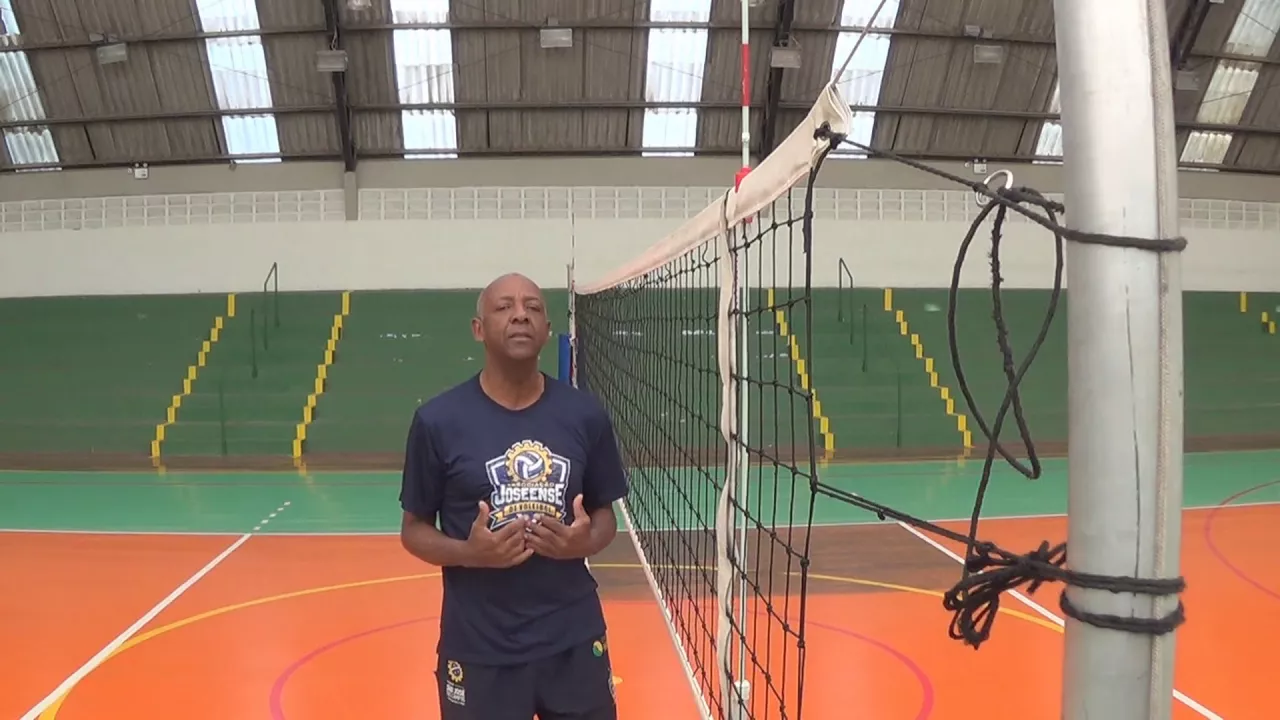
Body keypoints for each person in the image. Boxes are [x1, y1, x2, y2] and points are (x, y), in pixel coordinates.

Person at [398, 272, 629, 720]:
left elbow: (605, 516)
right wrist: (469, 553)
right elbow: (413, 531)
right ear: (478, 328)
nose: (520, 314)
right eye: (504, 307)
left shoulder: (585, 414)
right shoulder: (437, 421)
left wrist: (582, 542)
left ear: (546, 330)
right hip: (479, 649)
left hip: (573, 640)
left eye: (533, 307)